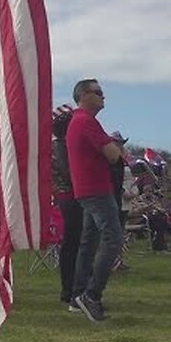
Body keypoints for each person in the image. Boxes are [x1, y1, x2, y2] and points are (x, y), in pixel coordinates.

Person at [66, 78, 126, 322]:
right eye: (98, 92)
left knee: (89, 242)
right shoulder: (86, 121)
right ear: (83, 96)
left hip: (87, 190)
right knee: (113, 239)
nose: (103, 97)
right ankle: (92, 295)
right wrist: (115, 149)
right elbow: (114, 155)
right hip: (97, 190)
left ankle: (77, 295)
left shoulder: (80, 122)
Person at [51, 104, 83, 311]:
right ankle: (70, 289)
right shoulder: (61, 146)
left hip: (70, 196)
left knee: (75, 243)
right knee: (73, 243)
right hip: (70, 197)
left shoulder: (61, 145)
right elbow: (68, 174)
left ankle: (72, 288)